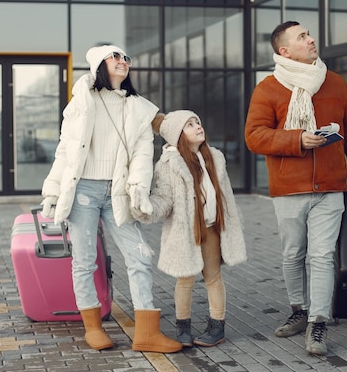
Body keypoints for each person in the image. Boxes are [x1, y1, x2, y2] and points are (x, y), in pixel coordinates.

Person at [244, 21, 347, 356]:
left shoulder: (334, 82)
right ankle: (299, 311)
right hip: (289, 189)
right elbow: (254, 136)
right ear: (284, 51)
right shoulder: (268, 88)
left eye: (309, 34)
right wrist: (297, 139)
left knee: (321, 256)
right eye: (302, 37)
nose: (311, 39)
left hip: (330, 187)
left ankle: (318, 322)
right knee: (293, 254)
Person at [40, 45, 182, 354]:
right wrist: (52, 190)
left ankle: (147, 332)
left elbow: (144, 154)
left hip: (118, 191)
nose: (123, 62)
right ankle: (92, 326)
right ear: (98, 64)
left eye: (126, 58)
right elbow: (66, 150)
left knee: (141, 255)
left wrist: (140, 190)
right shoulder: (81, 102)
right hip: (84, 192)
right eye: (115, 57)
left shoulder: (140, 108)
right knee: (85, 260)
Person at [131, 110, 247, 348]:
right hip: (186, 232)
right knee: (185, 281)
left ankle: (217, 325)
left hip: (213, 228)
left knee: (213, 277)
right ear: (177, 135)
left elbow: (226, 197)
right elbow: (164, 199)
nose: (197, 127)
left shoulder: (214, 158)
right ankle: (183, 326)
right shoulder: (169, 164)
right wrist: (145, 206)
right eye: (190, 125)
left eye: (198, 122)